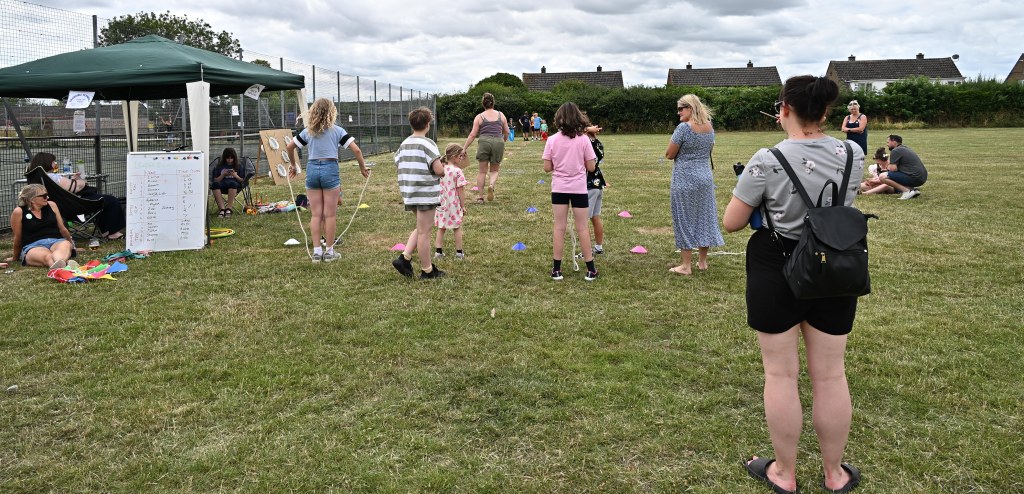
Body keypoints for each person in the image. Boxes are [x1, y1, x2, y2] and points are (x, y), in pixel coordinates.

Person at [723, 75, 864, 494]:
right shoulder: (853, 152)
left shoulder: (766, 159)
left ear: (784, 109)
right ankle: (834, 474)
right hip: (836, 265)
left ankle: (784, 473)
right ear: (826, 111)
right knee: (831, 376)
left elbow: (731, 222)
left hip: (777, 265)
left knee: (781, 375)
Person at [286, 98, 370, 263]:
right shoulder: (338, 131)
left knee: (316, 214)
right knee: (330, 215)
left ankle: (317, 252)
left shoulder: (308, 132)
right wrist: (362, 168)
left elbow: (290, 147)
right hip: (330, 169)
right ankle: (330, 252)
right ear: (332, 112)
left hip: (312, 170)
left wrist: (293, 165)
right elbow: (357, 150)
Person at [664, 94, 724, 275]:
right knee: (705, 217)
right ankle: (702, 262)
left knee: (684, 219)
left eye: (681, 109)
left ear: (690, 108)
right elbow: (709, 150)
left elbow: (669, 154)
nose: (678, 112)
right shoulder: (709, 126)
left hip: (685, 179)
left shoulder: (683, 128)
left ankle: (685, 266)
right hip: (705, 178)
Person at [543, 102, 598, 281]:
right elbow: (591, 167)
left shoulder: (552, 140)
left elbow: (547, 167)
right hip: (579, 189)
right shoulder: (584, 140)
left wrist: (560, 164)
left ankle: (556, 269)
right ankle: (591, 269)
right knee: (582, 227)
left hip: (559, 188)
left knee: (559, 227)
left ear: (558, 119)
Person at [391, 106, 446, 280]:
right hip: (425, 193)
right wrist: (443, 166)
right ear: (428, 124)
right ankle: (427, 271)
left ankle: (405, 258)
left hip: (410, 193)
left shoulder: (404, 144)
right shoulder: (428, 144)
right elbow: (439, 171)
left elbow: (398, 162)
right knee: (424, 232)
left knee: (421, 227)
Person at [27, 152, 125, 240]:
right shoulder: (51, 176)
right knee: (110, 200)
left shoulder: (39, 177)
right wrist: (82, 181)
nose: (55, 163)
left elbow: (65, 188)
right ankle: (113, 232)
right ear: (47, 162)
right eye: (53, 161)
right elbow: (75, 187)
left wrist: (73, 180)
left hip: (60, 205)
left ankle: (105, 231)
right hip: (72, 206)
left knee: (101, 199)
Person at [6, 184, 75, 270]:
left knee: (65, 245)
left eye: (47, 195)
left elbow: (62, 229)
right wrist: (15, 258)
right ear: (32, 199)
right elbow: (18, 238)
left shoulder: (52, 205)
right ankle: (65, 266)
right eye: (44, 196)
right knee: (47, 256)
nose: (47, 197)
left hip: (56, 241)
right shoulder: (19, 212)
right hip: (33, 245)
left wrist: (72, 246)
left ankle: (60, 265)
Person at [463, 92, 510, 203]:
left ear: (483, 104)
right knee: (494, 170)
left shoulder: (479, 117)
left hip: (484, 142)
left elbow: (472, 134)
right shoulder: (501, 115)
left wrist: (464, 148)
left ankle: (480, 197)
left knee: (482, 172)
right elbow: (507, 132)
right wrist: (503, 140)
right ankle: (491, 185)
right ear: (493, 103)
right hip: (498, 141)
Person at [434, 143, 470, 260]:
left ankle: (438, 252)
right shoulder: (458, 171)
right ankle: (459, 253)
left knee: (441, 227)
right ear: (454, 156)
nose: (461, 158)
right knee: (457, 227)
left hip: (441, 203)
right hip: (453, 204)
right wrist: (463, 206)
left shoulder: (441, 169)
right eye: (460, 156)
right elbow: (460, 191)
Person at [880, 134, 927, 200]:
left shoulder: (895, 151)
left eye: (888, 142)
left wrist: (886, 167)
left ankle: (907, 191)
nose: (887, 144)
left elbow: (892, 169)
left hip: (915, 177)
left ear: (894, 142)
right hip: (922, 177)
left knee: (882, 176)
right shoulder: (905, 148)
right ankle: (911, 189)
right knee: (892, 174)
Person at [585, 124, 607, 255]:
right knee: (595, 217)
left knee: (583, 221)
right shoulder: (598, 143)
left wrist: (586, 130)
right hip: (598, 182)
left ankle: (586, 251)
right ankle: (598, 247)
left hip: (588, 184)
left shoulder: (585, 142)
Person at [211, 148, 244, 217]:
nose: (230, 160)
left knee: (232, 183)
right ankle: (222, 209)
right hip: (222, 185)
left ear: (234, 158)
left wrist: (235, 175)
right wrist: (223, 175)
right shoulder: (219, 166)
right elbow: (215, 180)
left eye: (231, 158)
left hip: (234, 186)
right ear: (224, 158)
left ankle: (229, 208)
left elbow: (242, 180)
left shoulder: (239, 166)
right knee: (214, 185)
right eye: (228, 158)